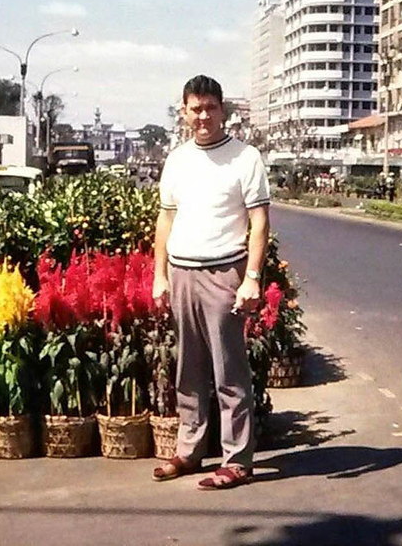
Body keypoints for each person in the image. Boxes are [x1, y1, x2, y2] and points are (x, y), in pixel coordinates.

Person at [151, 74, 270, 491]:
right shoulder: (178, 159)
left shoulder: (245, 157)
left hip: (225, 273)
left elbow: (259, 223)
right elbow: (166, 218)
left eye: (210, 108)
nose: (203, 116)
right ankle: (189, 450)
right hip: (182, 272)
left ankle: (237, 460)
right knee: (189, 367)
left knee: (228, 369)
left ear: (223, 111)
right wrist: (159, 276)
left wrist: (251, 278)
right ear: (184, 112)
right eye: (195, 108)